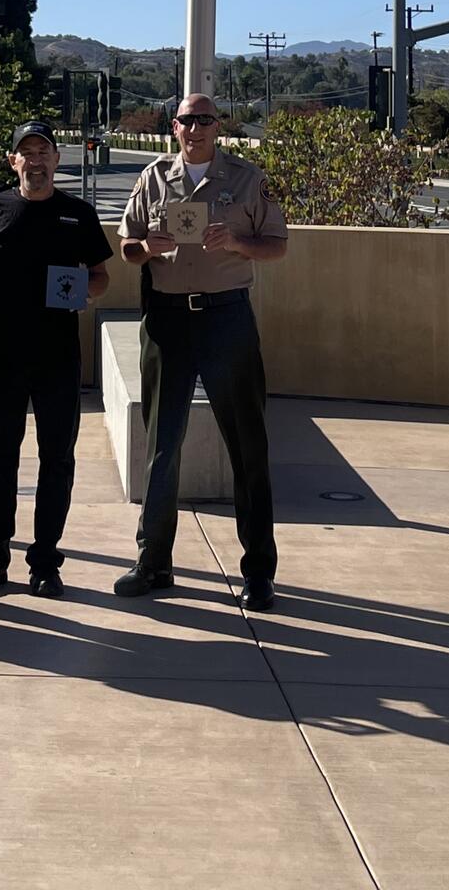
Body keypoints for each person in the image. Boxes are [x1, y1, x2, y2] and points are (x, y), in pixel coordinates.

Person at [114, 98, 288, 611]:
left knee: (247, 445)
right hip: (168, 320)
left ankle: (259, 571)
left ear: (218, 127)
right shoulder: (153, 177)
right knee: (162, 445)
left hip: (226, 319)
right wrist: (147, 247)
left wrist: (236, 242)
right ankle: (153, 562)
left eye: (205, 120)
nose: (195, 128)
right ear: (175, 127)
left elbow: (277, 245)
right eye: (187, 120)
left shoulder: (249, 178)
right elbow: (126, 246)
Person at [0, 120, 111, 597]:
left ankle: (45, 561)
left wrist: (85, 291)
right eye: (27, 152)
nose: (36, 160)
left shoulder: (78, 214)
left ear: (56, 161)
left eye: (44, 151)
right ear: (13, 161)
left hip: (59, 359)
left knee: (56, 461)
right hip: (3, 357)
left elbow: (102, 276)